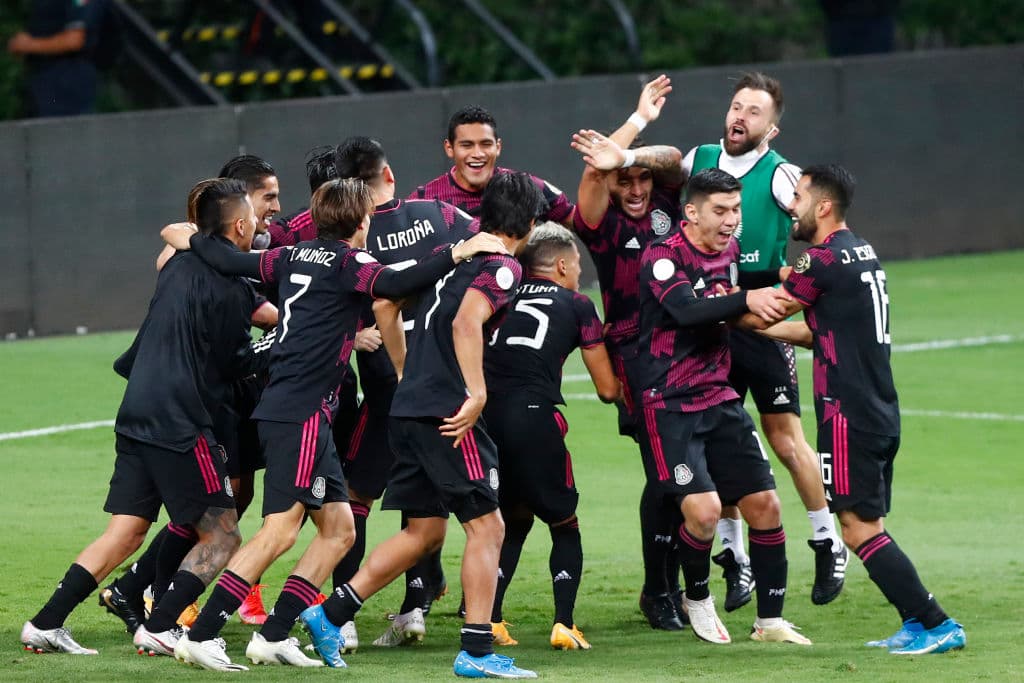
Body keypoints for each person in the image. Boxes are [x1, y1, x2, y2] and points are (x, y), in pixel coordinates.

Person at [162, 178, 507, 671]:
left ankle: (275, 634)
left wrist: (191, 238)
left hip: (295, 409)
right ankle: (202, 634)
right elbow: (397, 285)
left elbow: (228, 260)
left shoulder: (290, 256)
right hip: (301, 410)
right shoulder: (350, 263)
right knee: (280, 530)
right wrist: (457, 251)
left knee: (340, 530)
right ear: (362, 221)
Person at [299, 172, 544, 680]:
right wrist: (476, 392)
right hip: (446, 413)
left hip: (407, 406)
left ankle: (330, 614)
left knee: (425, 531)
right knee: (488, 526)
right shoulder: (501, 265)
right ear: (531, 224)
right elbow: (465, 322)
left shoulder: (454, 256)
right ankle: (477, 652)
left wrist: (404, 370)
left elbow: (385, 304)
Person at [20, 179, 263, 656]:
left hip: (137, 409)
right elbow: (235, 363)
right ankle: (161, 626)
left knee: (127, 531)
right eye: (253, 216)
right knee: (223, 535)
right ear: (239, 226)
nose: (257, 223)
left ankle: (45, 624)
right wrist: (279, 350)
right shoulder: (234, 287)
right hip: (181, 420)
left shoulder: (176, 264)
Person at [754, 163, 965, 654]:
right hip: (877, 408)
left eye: (799, 197)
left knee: (857, 529)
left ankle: (938, 624)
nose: (791, 206)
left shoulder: (821, 259)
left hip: (847, 414)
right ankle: (915, 623)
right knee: (869, 525)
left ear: (824, 206)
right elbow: (815, 332)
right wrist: (748, 325)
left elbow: (774, 307)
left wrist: (717, 306)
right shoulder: (861, 251)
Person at [683, 72, 846, 610]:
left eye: (754, 112)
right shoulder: (701, 159)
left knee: (784, 437)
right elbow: (658, 170)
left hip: (762, 316)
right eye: (737, 106)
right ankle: (735, 556)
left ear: (771, 128)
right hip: (714, 318)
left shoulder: (780, 175)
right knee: (718, 441)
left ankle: (827, 539)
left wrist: (799, 274)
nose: (740, 116)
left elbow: (820, 223)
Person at [635, 168, 810, 645]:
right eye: (720, 210)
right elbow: (687, 311)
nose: (732, 220)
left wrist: (777, 301)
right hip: (669, 403)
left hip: (719, 396)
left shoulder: (730, 252)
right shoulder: (663, 255)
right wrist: (746, 298)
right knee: (705, 511)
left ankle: (770, 622)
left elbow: (728, 303)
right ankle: (697, 596)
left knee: (766, 505)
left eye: (736, 209)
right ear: (691, 212)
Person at [326, 136, 475, 653]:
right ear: (388, 175)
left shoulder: (348, 234)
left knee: (356, 497)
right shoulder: (441, 216)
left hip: (387, 391)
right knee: (425, 503)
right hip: (443, 384)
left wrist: (354, 334)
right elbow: (483, 257)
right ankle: (414, 608)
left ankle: (342, 619)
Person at [568, 74, 690, 630]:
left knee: (693, 473)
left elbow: (675, 160)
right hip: (635, 358)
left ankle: (683, 585)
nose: (637, 188)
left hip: (689, 350)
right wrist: (634, 122)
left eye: (642, 178)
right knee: (664, 474)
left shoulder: (668, 198)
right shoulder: (601, 223)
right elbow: (596, 172)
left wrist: (631, 152)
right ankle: (659, 590)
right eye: (626, 181)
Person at [482, 222, 621, 650]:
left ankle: (491, 619)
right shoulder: (578, 305)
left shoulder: (500, 294)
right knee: (564, 524)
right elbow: (607, 389)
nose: (578, 272)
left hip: (483, 419)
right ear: (561, 265)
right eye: (577, 265)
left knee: (511, 519)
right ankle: (564, 623)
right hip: (532, 417)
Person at [411, 104, 574, 226]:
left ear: (498, 147)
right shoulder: (423, 200)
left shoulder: (523, 188)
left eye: (486, 144)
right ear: (449, 148)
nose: (477, 153)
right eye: (467, 145)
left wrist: (590, 176)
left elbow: (579, 223)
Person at [6, 0, 107, 117]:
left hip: (67, 78)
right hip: (45, 77)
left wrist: (29, 45)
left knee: (60, 125)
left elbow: (74, 40)